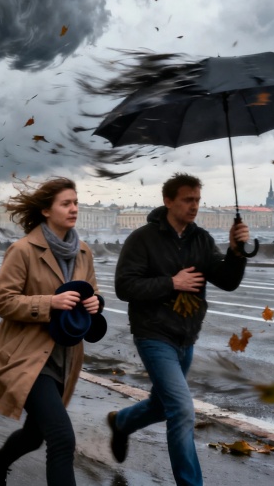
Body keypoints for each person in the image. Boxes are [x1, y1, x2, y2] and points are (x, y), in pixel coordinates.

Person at [107, 173, 249, 486]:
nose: (194, 206)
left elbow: (227, 280)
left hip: (186, 337)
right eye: (188, 199)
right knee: (182, 410)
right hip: (153, 335)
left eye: (198, 200)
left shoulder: (200, 239)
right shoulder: (143, 239)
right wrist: (172, 283)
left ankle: (122, 422)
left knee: (162, 405)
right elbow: (124, 285)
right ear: (168, 201)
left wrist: (237, 250)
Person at [0, 177, 103, 486]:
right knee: (62, 439)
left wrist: (95, 304)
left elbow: (90, 292)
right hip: (28, 357)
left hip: (65, 358)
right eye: (65, 203)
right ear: (45, 210)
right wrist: (50, 303)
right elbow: (3, 302)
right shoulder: (23, 250)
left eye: (75, 202)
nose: (74, 208)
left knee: (35, 435)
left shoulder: (83, 252)